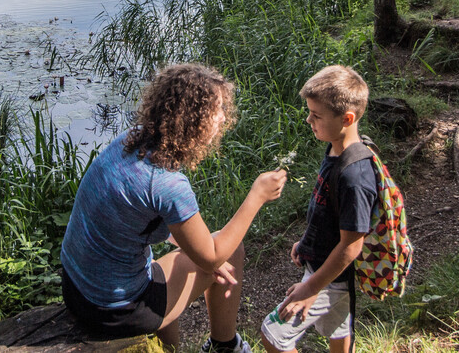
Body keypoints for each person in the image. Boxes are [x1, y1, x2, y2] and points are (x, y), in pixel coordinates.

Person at [60, 63, 288, 351]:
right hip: (114, 310)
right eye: (215, 110)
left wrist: (201, 255)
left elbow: (139, 217)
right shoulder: (166, 182)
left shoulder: (132, 141)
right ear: (193, 118)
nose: (222, 117)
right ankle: (224, 346)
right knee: (230, 253)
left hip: (76, 288)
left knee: (182, 261)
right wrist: (257, 196)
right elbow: (213, 258)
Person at [260, 65, 376, 353]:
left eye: (317, 115)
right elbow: (329, 211)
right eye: (310, 111)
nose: (309, 119)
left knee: (272, 335)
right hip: (323, 266)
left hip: (331, 277)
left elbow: (351, 246)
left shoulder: (355, 177)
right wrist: (308, 240)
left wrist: (311, 287)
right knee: (338, 327)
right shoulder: (336, 148)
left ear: (347, 118)